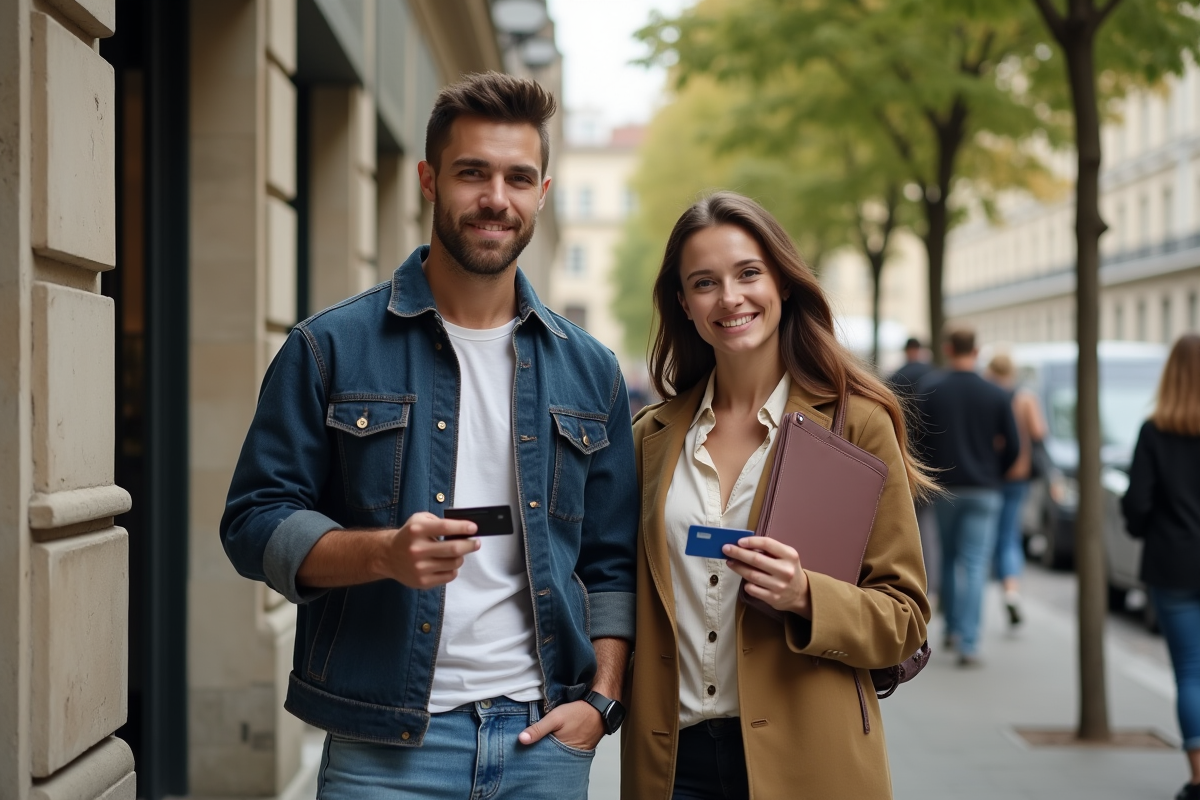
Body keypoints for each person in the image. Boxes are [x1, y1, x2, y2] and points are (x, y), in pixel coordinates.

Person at [220, 73, 638, 800]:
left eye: (518, 178)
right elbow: (253, 523)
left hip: (543, 742)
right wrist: (382, 553)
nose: (496, 199)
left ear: (542, 194)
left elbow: (609, 564)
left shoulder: (590, 369)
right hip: (385, 751)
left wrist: (600, 704)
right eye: (472, 173)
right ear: (428, 181)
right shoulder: (329, 347)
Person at [621, 192, 933, 800]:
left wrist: (806, 595)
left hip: (809, 757)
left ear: (783, 284)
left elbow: (906, 618)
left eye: (748, 273)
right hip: (671, 762)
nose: (729, 297)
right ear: (683, 303)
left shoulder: (856, 426)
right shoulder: (649, 439)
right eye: (705, 282)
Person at [1121, 334, 1200, 800]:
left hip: (1173, 562)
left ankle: (1198, 777)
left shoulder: (1154, 431)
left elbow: (1137, 505)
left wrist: (1147, 526)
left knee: (1190, 671)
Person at [915, 327, 1019, 667]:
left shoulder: (931, 389)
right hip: (984, 488)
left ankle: (951, 628)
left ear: (947, 349)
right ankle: (969, 642)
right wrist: (995, 471)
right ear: (976, 351)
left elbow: (917, 441)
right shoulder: (997, 393)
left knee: (947, 557)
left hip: (945, 488)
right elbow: (1014, 446)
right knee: (975, 563)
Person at [984, 353, 1047, 626]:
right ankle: (1011, 590)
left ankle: (973, 602)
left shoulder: (987, 395)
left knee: (985, 537)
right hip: (1018, 475)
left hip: (989, 476)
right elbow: (1039, 433)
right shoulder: (1025, 398)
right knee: (1009, 536)